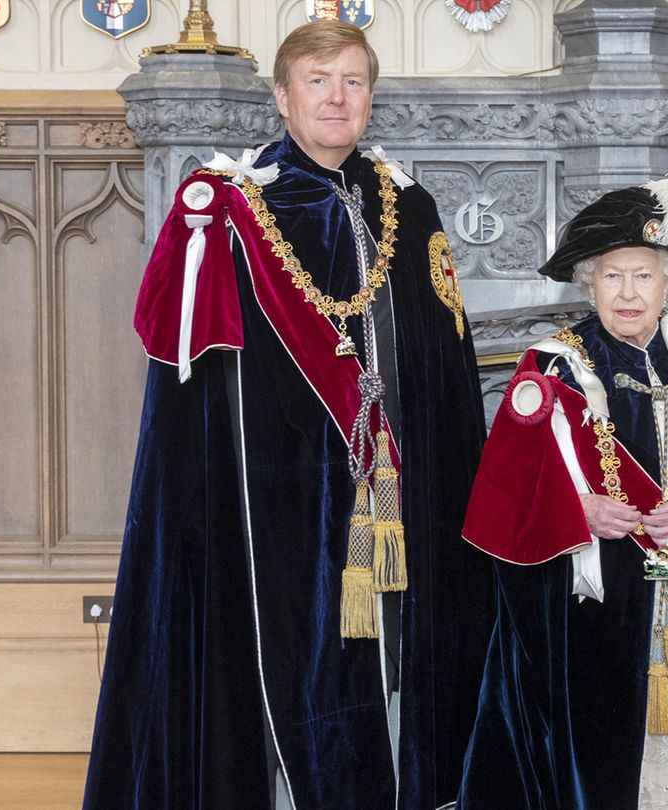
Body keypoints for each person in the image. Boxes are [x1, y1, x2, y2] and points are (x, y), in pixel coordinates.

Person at [84, 20, 494, 810]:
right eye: (317, 80)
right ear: (282, 96)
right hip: (281, 501)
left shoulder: (409, 204)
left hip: (398, 490)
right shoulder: (236, 206)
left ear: (371, 97)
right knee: (297, 669)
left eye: (352, 81)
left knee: (401, 667)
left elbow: (445, 358)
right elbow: (190, 380)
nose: (336, 97)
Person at [459, 173, 668, 810]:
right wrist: (578, 509)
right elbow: (501, 502)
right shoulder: (552, 367)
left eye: (644, 275)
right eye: (612, 275)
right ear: (589, 280)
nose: (627, 292)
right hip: (589, 612)